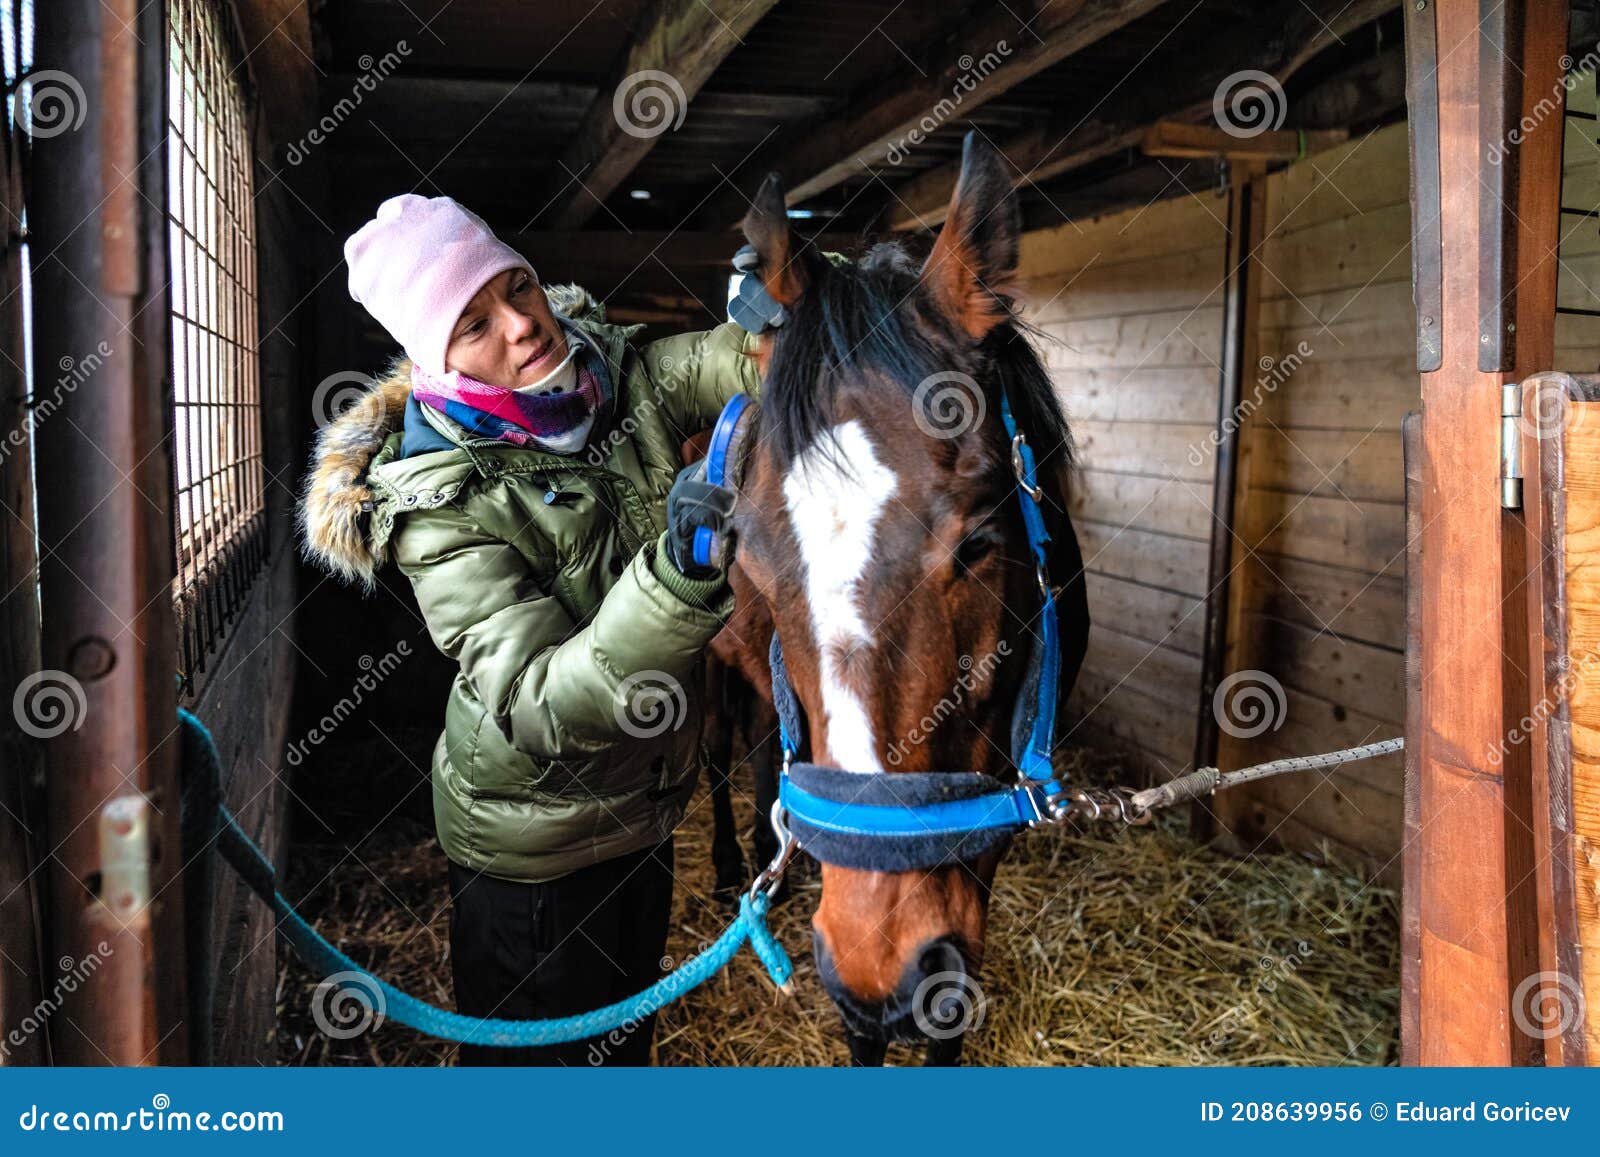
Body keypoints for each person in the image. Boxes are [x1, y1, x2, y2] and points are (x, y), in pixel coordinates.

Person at [298, 194, 758, 1066]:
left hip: (641, 809)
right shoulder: (440, 503)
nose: (520, 324)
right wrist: (674, 576)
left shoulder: (609, 376)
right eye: (474, 325)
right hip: (533, 845)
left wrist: (797, 295)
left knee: (623, 1044)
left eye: (517, 286)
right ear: (436, 360)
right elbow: (537, 700)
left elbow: (735, 359)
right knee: (538, 1070)